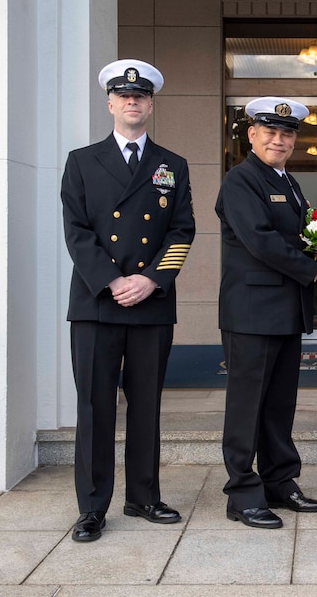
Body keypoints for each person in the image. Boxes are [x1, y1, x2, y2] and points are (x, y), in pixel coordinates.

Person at [61, 59, 195, 542]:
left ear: (151, 105)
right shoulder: (81, 160)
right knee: (95, 408)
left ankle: (143, 496)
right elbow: (76, 232)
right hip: (97, 303)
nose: (133, 102)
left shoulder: (172, 165)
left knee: (146, 406)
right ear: (111, 103)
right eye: (124, 96)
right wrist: (112, 281)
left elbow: (182, 230)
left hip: (151, 304)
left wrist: (153, 280)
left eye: (141, 97)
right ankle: (92, 507)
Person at [216, 96, 317, 529]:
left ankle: (280, 481)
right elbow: (261, 240)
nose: (279, 139)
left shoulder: (287, 181)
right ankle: (242, 493)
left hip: (285, 310)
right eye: (270, 132)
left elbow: (300, 236)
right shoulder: (241, 180)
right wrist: (316, 270)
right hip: (251, 312)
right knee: (247, 405)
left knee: (278, 404)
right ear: (252, 135)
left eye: (287, 134)